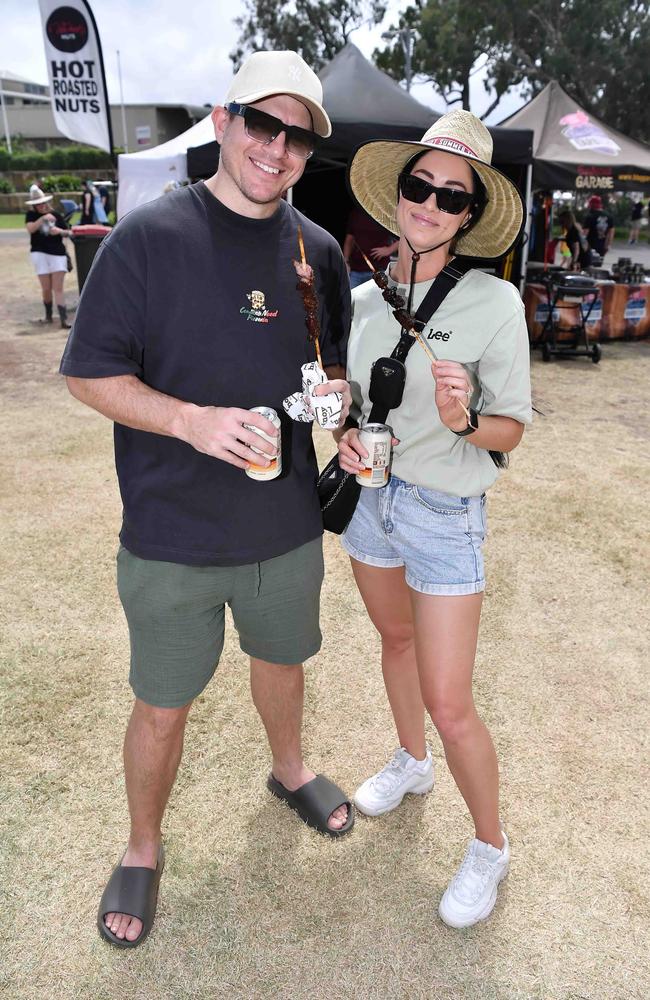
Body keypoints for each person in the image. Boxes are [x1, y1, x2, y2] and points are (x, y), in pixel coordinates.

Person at [59, 49, 354, 949]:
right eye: (262, 123)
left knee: (284, 662)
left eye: (297, 135)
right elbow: (87, 375)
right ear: (224, 122)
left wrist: (334, 403)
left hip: (284, 526)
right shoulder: (148, 236)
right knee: (162, 700)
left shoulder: (320, 251)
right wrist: (189, 422)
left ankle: (289, 768)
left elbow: (328, 368)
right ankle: (143, 847)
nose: (278, 147)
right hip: (171, 534)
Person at [337, 109, 532, 929]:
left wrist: (461, 421)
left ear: (469, 215)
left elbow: (510, 431)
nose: (430, 204)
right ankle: (411, 763)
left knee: (452, 702)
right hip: (371, 506)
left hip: (445, 511)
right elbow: (351, 404)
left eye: (451, 197)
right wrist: (342, 432)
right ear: (398, 196)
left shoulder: (498, 303)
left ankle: (490, 846)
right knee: (396, 643)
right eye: (419, 186)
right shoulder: (358, 300)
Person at [24, 184, 72, 328]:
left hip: (57, 253)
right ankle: (48, 316)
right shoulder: (31, 215)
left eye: (42, 203)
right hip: (39, 253)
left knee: (58, 287)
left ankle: (64, 319)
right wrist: (43, 219)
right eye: (37, 204)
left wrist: (58, 231)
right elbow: (30, 229)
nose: (40, 206)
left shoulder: (56, 215)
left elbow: (69, 232)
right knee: (46, 288)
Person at [343, 204, 399, 288]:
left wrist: (389, 250)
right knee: (351, 299)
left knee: (379, 300)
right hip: (356, 270)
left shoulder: (384, 214)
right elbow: (350, 238)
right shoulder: (356, 213)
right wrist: (346, 260)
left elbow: (404, 235)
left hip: (380, 270)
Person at [582, 194, 613, 260]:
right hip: (602, 245)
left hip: (590, 245)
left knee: (589, 265)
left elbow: (585, 233)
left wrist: (581, 244)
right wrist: (608, 245)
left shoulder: (590, 216)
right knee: (599, 263)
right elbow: (611, 232)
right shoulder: (609, 216)